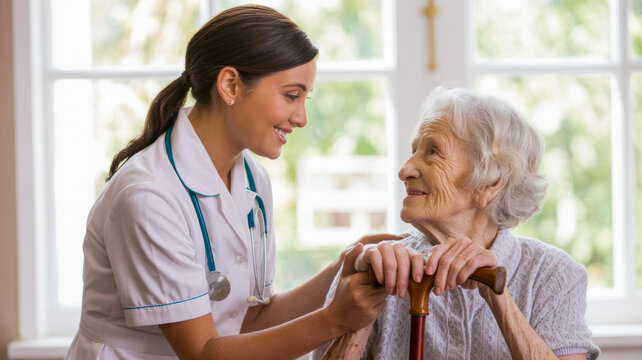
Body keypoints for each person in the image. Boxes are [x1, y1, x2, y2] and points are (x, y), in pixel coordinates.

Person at [65, 5, 427, 360]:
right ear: (230, 85)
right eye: (291, 95)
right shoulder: (148, 196)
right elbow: (203, 352)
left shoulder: (253, 179)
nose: (301, 117)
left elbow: (247, 320)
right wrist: (334, 319)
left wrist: (341, 267)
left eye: (305, 97)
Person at [314, 87, 600, 359]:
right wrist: (364, 303)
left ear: (491, 181)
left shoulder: (554, 275)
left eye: (433, 152)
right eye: (414, 151)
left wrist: (497, 296)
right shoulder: (373, 267)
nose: (405, 170)